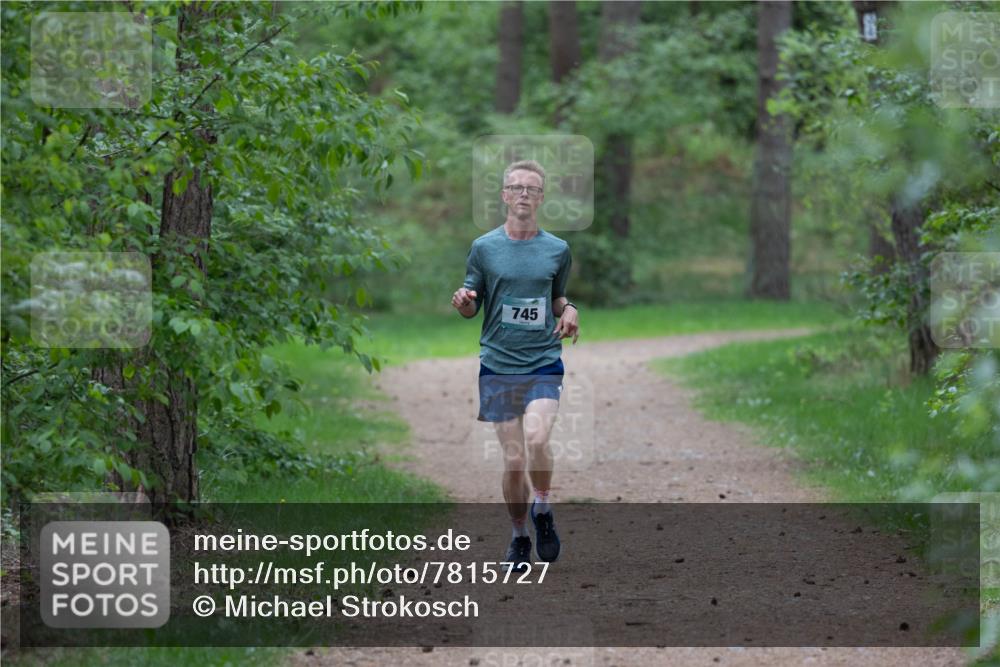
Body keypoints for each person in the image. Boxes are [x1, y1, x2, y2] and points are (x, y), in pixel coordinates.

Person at [451, 159, 580, 571]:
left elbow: (557, 297)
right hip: (499, 364)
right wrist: (465, 304)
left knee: (538, 439)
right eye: (516, 188)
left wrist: (570, 309)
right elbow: (472, 303)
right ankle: (519, 535)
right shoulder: (484, 247)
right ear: (505, 195)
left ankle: (542, 509)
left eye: (532, 189)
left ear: (541, 198)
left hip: (543, 361)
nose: (524, 194)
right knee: (513, 461)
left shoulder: (557, 249)